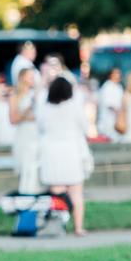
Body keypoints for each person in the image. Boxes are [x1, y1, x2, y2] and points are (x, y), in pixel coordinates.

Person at [37, 77, 91, 235]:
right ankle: (78, 227)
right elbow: (85, 126)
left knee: (56, 191)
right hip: (71, 150)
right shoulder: (74, 107)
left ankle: (58, 226)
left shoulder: (45, 108)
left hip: (51, 152)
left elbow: (40, 127)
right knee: (76, 192)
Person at [10, 68, 41, 194]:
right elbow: (13, 119)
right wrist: (27, 112)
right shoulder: (15, 95)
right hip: (24, 134)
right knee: (26, 167)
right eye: (30, 77)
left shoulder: (37, 94)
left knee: (35, 167)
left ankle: (34, 193)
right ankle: (25, 194)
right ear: (23, 78)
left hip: (36, 133)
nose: (33, 80)